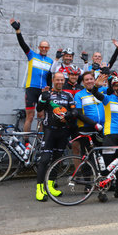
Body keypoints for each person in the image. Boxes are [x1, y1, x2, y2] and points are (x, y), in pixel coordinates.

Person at [36, 72, 100, 201]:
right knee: (44, 159)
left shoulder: (68, 95)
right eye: (57, 80)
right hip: (49, 131)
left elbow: (74, 110)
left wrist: (70, 115)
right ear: (53, 80)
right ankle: (39, 188)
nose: (59, 82)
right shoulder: (47, 93)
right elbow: (39, 109)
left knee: (57, 159)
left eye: (61, 80)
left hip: (62, 132)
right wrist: (43, 98)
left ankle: (50, 185)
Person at [10, 18, 52, 135]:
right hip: (31, 89)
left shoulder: (50, 61)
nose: (44, 48)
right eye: (42, 47)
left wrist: (50, 90)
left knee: (41, 116)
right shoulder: (32, 55)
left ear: (48, 49)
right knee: (30, 116)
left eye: (46, 47)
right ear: (39, 47)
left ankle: (39, 142)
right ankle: (27, 142)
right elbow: (22, 44)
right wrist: (18, 31)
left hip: (43, 90)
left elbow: (50, 77)